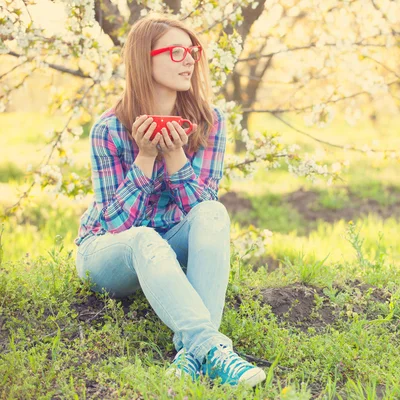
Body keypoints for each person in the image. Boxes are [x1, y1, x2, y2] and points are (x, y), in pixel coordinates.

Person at [73, 13, 266, 388]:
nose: (190, 59)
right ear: (145, 59)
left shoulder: (210, 121)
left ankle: (193, 356)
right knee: (145, 237)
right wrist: (145, 157)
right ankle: (214, 348)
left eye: (192, 51)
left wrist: (175, 156)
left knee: (213, 211)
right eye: (176, 52)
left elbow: (202, 211)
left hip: (169, 249)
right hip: (108, 253)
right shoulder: (109, 129)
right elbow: (115, 226)